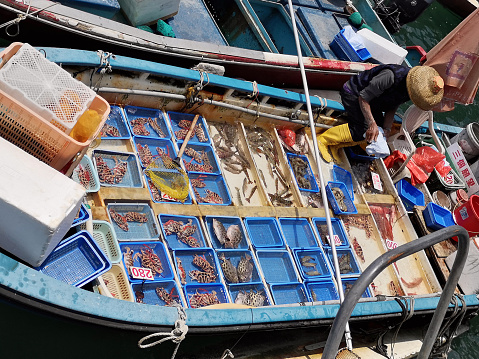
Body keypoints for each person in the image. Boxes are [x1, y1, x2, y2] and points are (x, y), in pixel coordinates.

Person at [317, 64, 445, 162]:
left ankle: (335, 146)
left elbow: (392, 106)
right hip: (355, 93)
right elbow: (363, 98)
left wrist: (387, 128)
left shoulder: (409, 92)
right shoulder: (389, 76)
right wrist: (371, 123)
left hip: (374, 102)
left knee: (377, 133)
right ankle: (323, 140)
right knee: (365, 128)